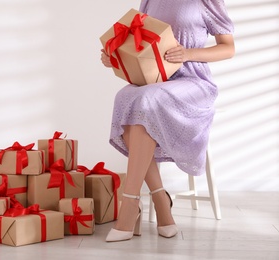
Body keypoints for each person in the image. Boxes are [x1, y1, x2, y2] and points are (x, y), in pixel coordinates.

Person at [101, 0, 235, 242]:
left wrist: (188, 54)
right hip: (156, 81)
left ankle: (130, 204)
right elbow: (140, 46)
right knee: (126, 97)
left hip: (194, 82)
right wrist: (116, 57)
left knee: (145, 101)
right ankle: (161, 199)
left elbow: (228, 48)